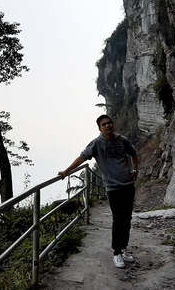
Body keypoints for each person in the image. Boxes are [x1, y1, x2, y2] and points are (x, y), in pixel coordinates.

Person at [58, 114, 139, 269]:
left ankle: (123, 248)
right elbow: (81, 158)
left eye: (109, 123)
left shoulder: (122, 140)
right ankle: (116, 253)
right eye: (104, 124)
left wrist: (135, 169)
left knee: (127, 218)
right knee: (118, 219)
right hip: (113, 188)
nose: (108, 126)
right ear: (100, 128)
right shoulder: (96, 144)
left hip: (128, 185)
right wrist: (66, 171)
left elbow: (133, 153)